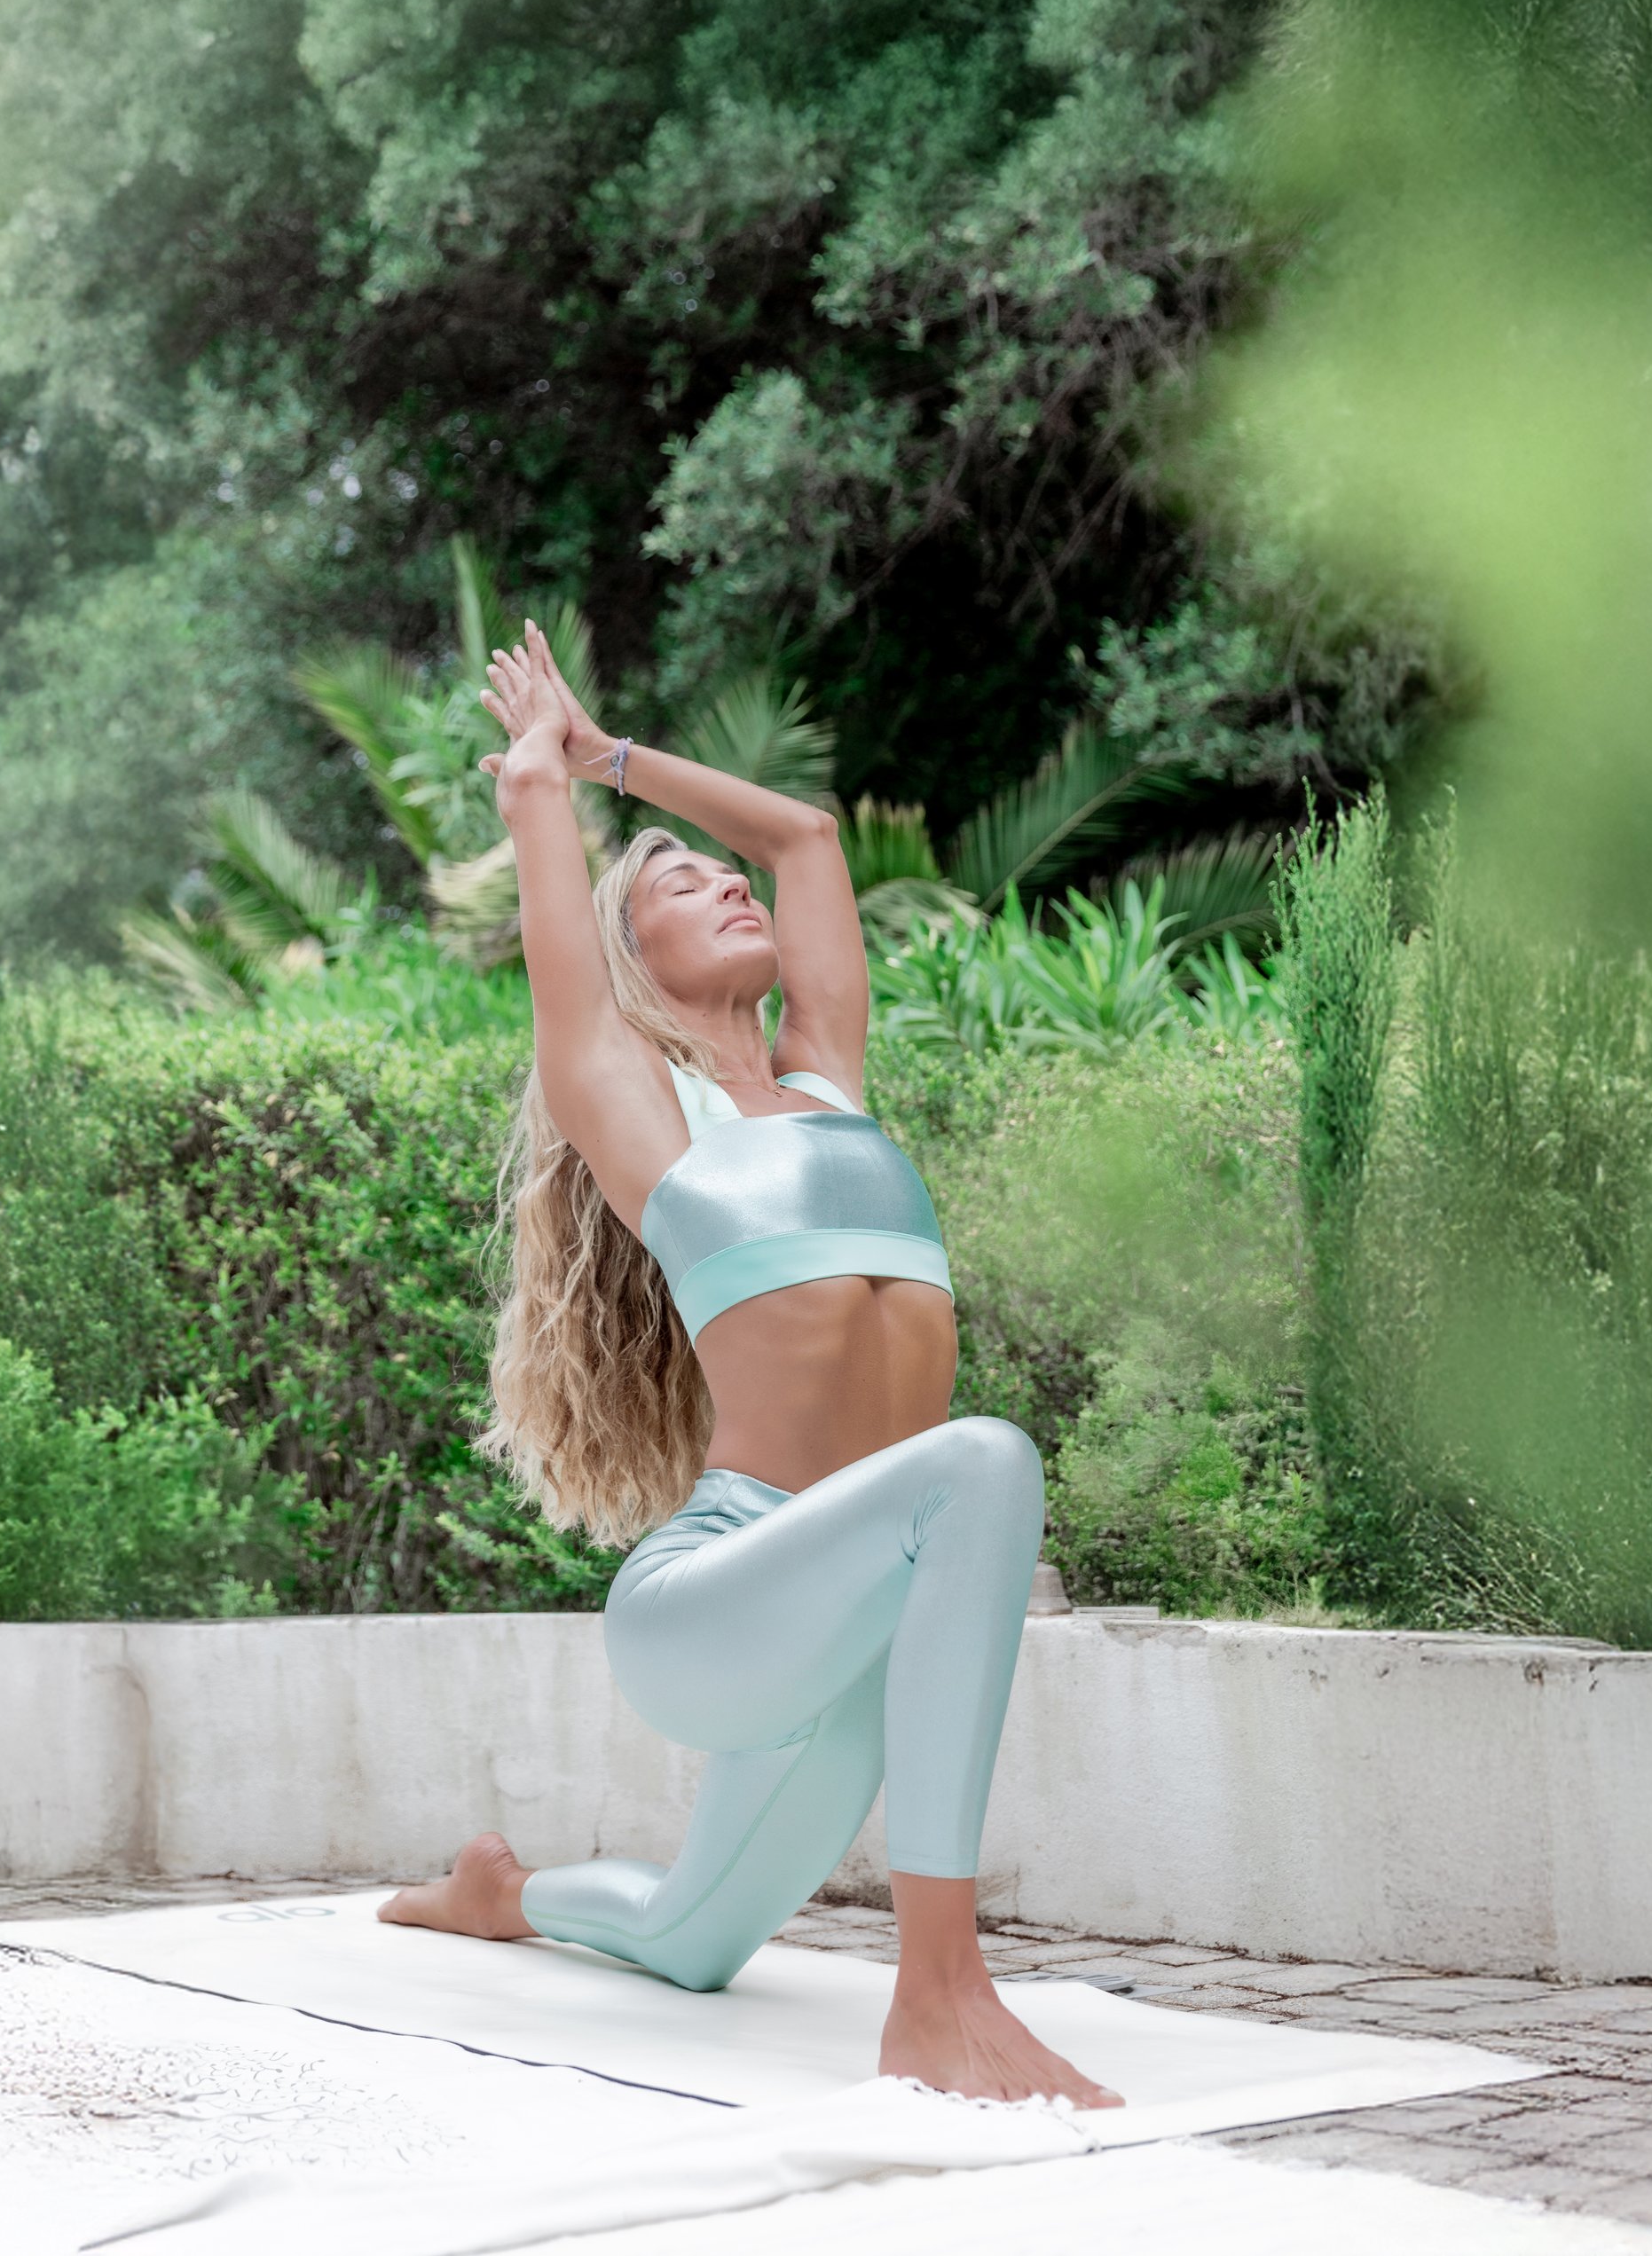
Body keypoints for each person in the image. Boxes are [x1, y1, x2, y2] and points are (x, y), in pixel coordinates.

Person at [382, 625, 1118, 2107]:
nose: (723, 880)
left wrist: (620, 757)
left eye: (714, 875)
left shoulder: (827, 1073)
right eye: (672, 884)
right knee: (985, 1459)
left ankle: (498, 1893)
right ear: (627, 953)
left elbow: (803, 832)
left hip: (841, 1626)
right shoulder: (639, 1109)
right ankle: (941, 1998)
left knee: (692, 1933)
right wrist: (543, 770)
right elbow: (555, 897)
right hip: (717, 1601)